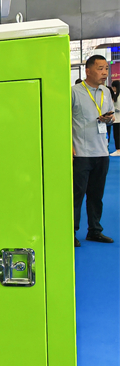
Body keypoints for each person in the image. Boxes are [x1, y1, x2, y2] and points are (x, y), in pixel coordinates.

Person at [72, 55, 115, 246]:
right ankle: (70, 231)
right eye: (100, 68)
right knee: (76, 195)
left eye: (106, 68)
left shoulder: (106, 91)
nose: (104, 73)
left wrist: (108, 119)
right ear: (87, 71)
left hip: (102, 152)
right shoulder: (74, 92)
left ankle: (95, 231)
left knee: (96, 196)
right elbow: (63, 121)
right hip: (81, 153)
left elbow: (112, 118)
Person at [110, 79, 120, 156]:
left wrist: (112, 109)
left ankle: (118, 150)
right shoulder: (117, 95)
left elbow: (118, 108)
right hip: (117, 118)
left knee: (117, 135)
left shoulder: (118, 97)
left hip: (117, 119)